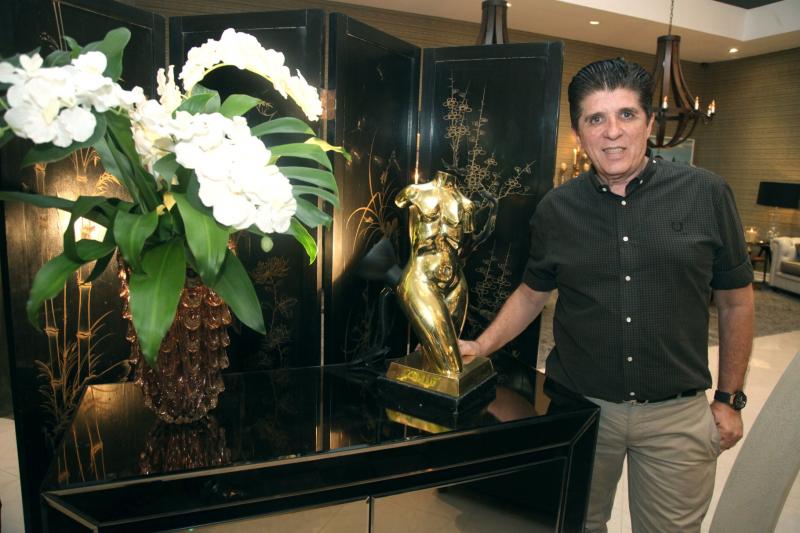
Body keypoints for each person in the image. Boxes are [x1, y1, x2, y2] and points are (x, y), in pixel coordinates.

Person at [459, 58, 754, 532]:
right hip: (580, 411)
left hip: (676, 415)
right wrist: (480, 346)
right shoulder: (556, 209)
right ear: (579, 134)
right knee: (573, 524)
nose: (612, 132)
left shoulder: (707, 194)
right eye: (596, 118)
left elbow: (736, 301)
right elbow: (532, 293)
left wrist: (729, 399)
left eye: (626, 114)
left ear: (649, 123)